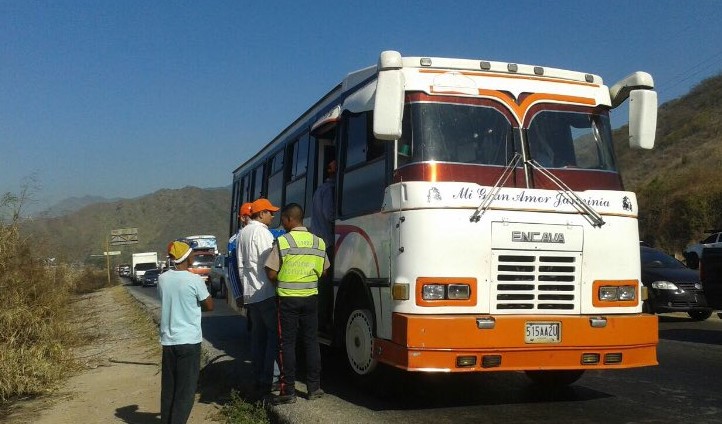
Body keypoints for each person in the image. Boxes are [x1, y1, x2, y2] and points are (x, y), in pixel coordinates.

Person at [265, 203, 330, 405]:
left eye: (283, 219)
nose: (281, 223)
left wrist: (281, 281)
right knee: (311, 342)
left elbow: (271, 272)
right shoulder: (319, 243)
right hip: (310, 299)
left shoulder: (283, 242)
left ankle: (288, 391)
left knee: (288, 345)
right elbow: (325, 270)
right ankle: (314, 388)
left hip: (287, 301)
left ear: (290, 219)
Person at [158, 240, 214, 424]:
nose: (193, 257)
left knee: (169, 388)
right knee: (186, 390)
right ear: (185, 257)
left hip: (169, 342)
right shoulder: (194, 280)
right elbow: (209, 305)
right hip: (189, 341)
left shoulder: (163, 279)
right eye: (191, 254)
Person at [239, 198, 280, 398]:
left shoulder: (243, 233)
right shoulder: (262, 232)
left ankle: (258, 377)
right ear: (261, 213)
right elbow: (269, 264)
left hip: (250, 294)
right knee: (273, 337)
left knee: (258, 338)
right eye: (270, 212)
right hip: (265, 291)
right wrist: (277, 286)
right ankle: (270, 378)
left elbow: (240, 265)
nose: (273, 216)